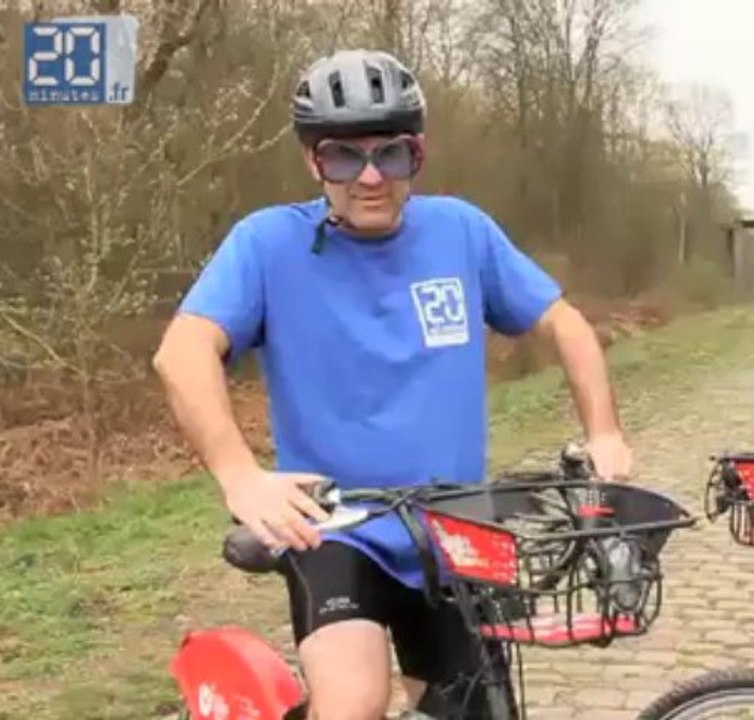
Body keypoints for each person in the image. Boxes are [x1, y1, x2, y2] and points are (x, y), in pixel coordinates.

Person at [152, 48, 633, 720]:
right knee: (353, 702)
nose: (370, 176)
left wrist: (603, 432)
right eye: (344, 157)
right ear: (312, 162)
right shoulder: (265, 245)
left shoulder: (461, 231)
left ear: (420, 154)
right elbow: (183, 351)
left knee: (477, 706)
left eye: (392, 154)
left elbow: (566, 326)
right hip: (338, 528)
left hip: (457, 526)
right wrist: (239, 475)